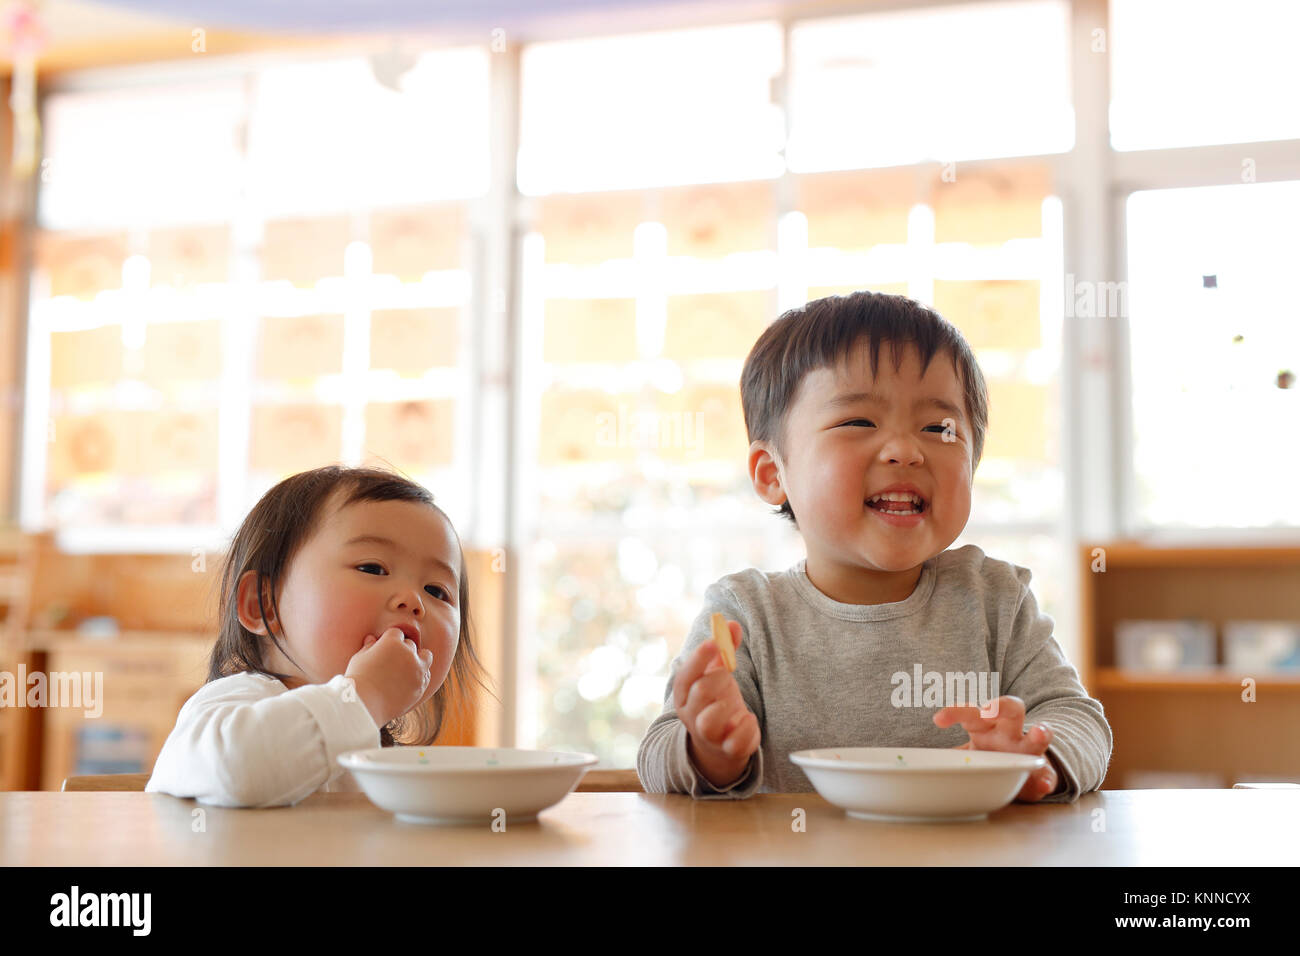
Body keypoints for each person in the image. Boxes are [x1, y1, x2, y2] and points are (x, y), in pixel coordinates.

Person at [637, 291, 1112, 800]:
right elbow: (657, 754)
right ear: (774, 473)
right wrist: (710, 750)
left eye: (939, 427)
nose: (906, 450)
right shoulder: (746, 614)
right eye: (858, 422)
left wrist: (1037, 754)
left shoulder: (996, 599)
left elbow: (1080, 720)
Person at [146, 465, 489, 807]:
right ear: (261, 603)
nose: (413, 601)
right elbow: (236, 772)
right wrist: (364, 696)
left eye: (437, 590)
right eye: (372, 568)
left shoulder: (377, 752)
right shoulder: (233, 704)